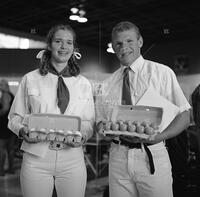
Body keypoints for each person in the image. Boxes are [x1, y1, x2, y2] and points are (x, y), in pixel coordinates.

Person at [96, 21, 191, 197]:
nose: (124, 47)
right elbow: (101, 122)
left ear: (140, 42)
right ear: (113, 47)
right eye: (118, 43)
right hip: (117, 156)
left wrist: (160, 136)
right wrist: (102, 128)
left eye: (129, 41)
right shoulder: (107, 84)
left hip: (152, 154)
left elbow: (184, 116)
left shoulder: (162, 73)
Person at [8, 24, 95, 197]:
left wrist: (83, 135)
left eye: (69, 42)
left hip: (72, 158)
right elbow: (14, 117)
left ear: (73, 48)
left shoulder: (83, 83)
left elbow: (88, 121)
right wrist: (22, 130)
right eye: (58, 41)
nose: (64, 47)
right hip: (36, 158)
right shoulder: (31, 79)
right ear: (49, 45)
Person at [0, 79, 15, 176]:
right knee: (10, 149)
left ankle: (1, 171)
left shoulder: (5, 95)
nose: (0, 86)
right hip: (11, 126)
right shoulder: (11, 95)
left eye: (1, 84)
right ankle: (11, 168)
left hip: (3, 126)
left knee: (1, 149)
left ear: (5, 86)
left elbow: (5, 109)